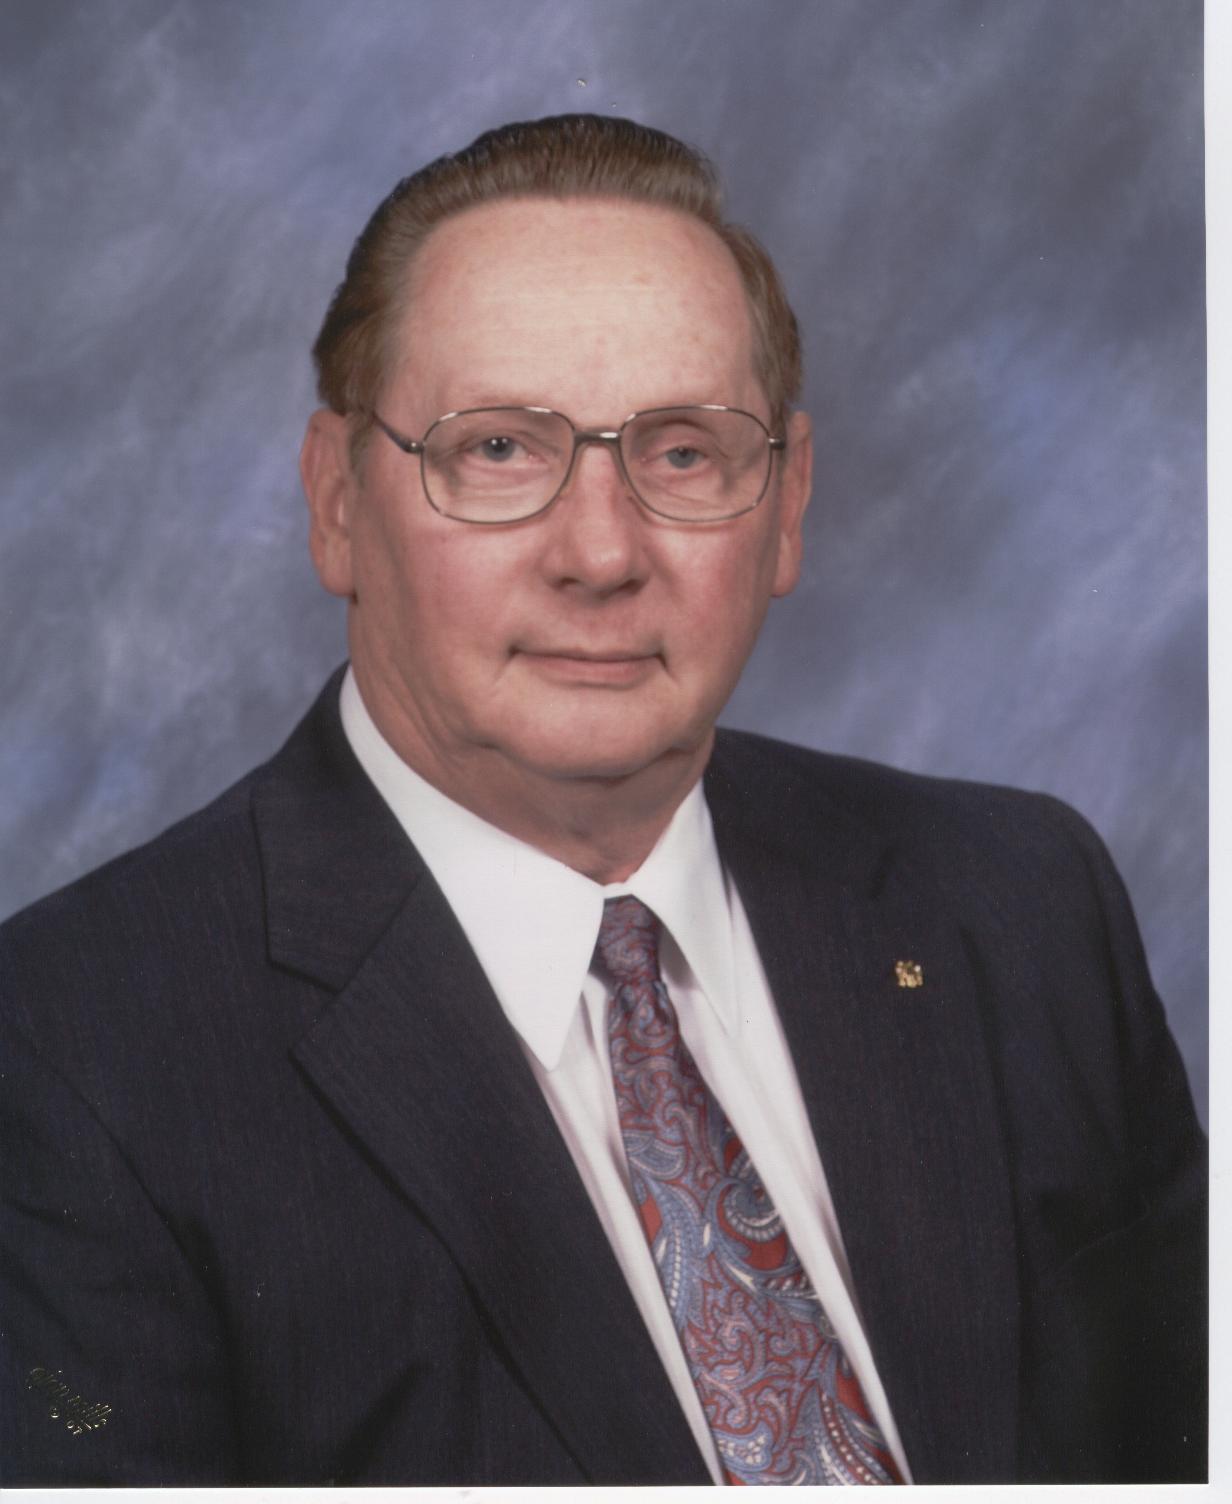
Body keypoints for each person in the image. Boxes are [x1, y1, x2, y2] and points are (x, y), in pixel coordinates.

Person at [0, 114, 1206, 1487]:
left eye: (685, 452)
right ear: (338, 502)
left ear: (789, 503)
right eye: (500, 450)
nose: (602, 552)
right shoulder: (70, 1050)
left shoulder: (1021, 902)